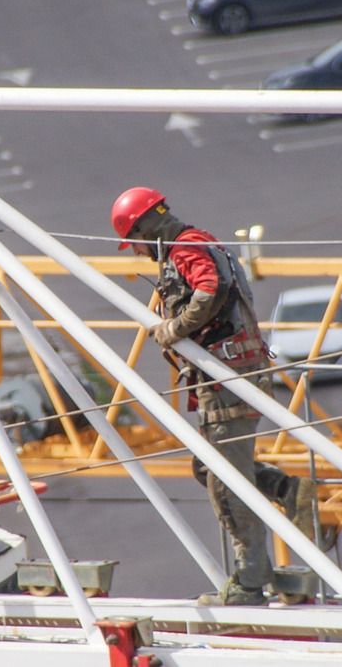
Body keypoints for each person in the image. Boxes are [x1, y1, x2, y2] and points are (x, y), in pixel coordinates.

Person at [110, 186, 317, 606]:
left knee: (226, 483)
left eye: (133, 243)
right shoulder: (199, 241)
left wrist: (177, 326)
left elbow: (209, 289)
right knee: (209, 469)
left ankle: (250, 583)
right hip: (234, 371)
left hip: (228, 378)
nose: (135, 253)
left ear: (145, 228)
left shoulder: (185, 250)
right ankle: (284, 490)